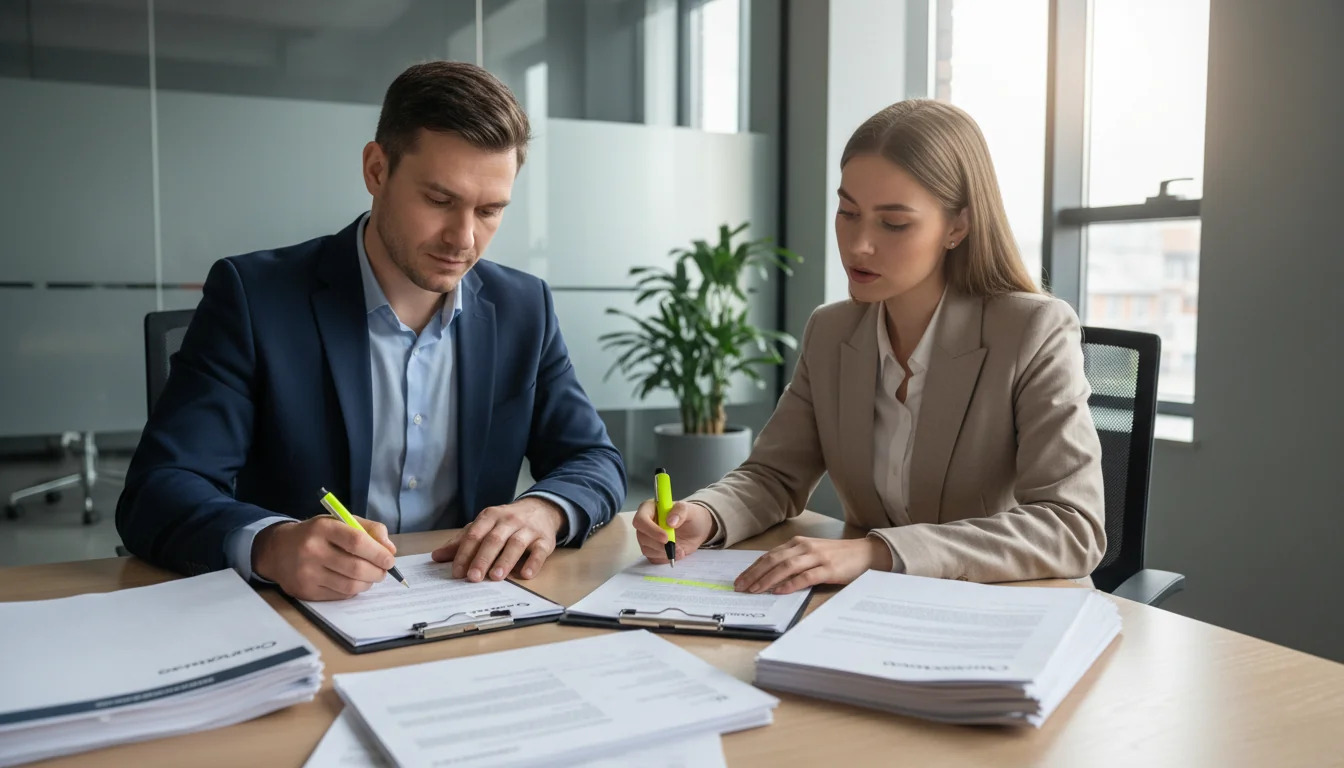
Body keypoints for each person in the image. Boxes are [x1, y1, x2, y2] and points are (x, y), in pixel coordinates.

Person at [117, 61, 626, 601]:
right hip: (301, 614)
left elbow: (594, 460)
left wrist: (543, 510)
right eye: (439, 200)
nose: (463, 238)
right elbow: (159, 490)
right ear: (376, 169)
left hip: (468, 607)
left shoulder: (524, 306)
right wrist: (272, 544)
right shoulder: (255, 296)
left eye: (490, 210)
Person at [632, 99, 1105, 594]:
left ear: (957, 227)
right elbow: (773, 475)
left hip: (1003, 611)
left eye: (894, 223)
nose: (858, 245)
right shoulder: (832, 331)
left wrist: (877, 553)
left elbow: (1072, 527)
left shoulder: (1033, 329)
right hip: (871, 609)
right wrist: (705, 514)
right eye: (848, 212)